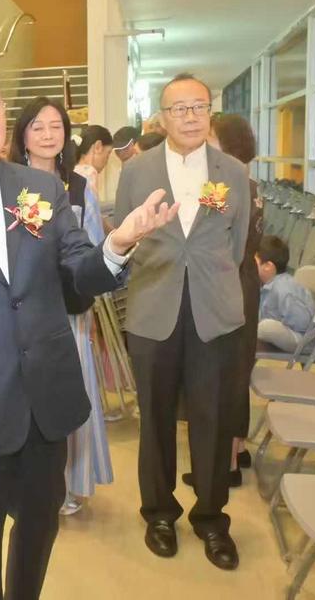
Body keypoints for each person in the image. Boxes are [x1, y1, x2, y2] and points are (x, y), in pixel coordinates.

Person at [0, 54, 177, 600]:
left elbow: (77, 273)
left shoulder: (41, 188)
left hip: (46, 401)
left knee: (40, 529)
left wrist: (116, 246)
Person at [115, 72, 250, 572]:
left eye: (199, 107)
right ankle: (159, 514)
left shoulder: (233, 172)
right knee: (154, 417)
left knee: (212, 416)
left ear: (210, 113)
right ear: (162, 117)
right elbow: (127, 237)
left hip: (214, 311)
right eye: (179, 109)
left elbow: (237, 246)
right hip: (154, 307)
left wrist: (208, 276)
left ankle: (212, 518)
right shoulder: (137, 171)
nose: (190, 117)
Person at [9, 97, 114, 517]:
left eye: (56, 126)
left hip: (68, 308)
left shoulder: (79, 187)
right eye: (38, 126)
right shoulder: (7, 185)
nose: (48, 135)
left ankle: (70, 485)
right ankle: (28, 485)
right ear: (22, 135)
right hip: (22, 311)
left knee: (70, 392)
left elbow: (90, 252)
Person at [182, 113, 263, 489]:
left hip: (225, 286)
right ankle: (237, 448)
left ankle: (223, 466)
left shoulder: (222, 185)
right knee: (238, 371)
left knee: (223, 376)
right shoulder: (250, 182)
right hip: (245, 283)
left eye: (209, 138)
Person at [256, 235, 315, 353]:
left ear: (268, 266)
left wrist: (280, 325)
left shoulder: (284, 289)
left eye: (254, 262)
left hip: (301, 339)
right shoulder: (270, 284)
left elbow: (302, 323)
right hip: (285, 332)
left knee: (264, 327)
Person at [73, 124, 113, 195]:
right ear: (98, 147)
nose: (107, 161)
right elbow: (90, 202)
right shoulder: (89, 173)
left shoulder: (73, 171)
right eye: (108, 153)